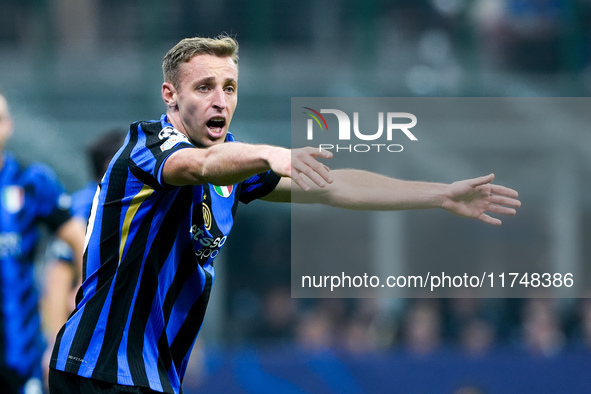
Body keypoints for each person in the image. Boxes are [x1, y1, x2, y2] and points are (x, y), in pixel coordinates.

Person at [48, 35, 521, 394]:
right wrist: (273, 154)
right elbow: (202, 165)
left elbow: (333, 189)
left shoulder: (234, 160)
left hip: (152, 374)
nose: (220, 100)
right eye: (205, 86)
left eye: (229, 87)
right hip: (97, 366)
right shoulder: (146, 146)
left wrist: (438, 194)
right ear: (170, 95)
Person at [0, 90, 86, 394]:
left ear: (8, 125)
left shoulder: (31, 181)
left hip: (21, 350)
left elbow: (80, 242)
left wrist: (84, 291)